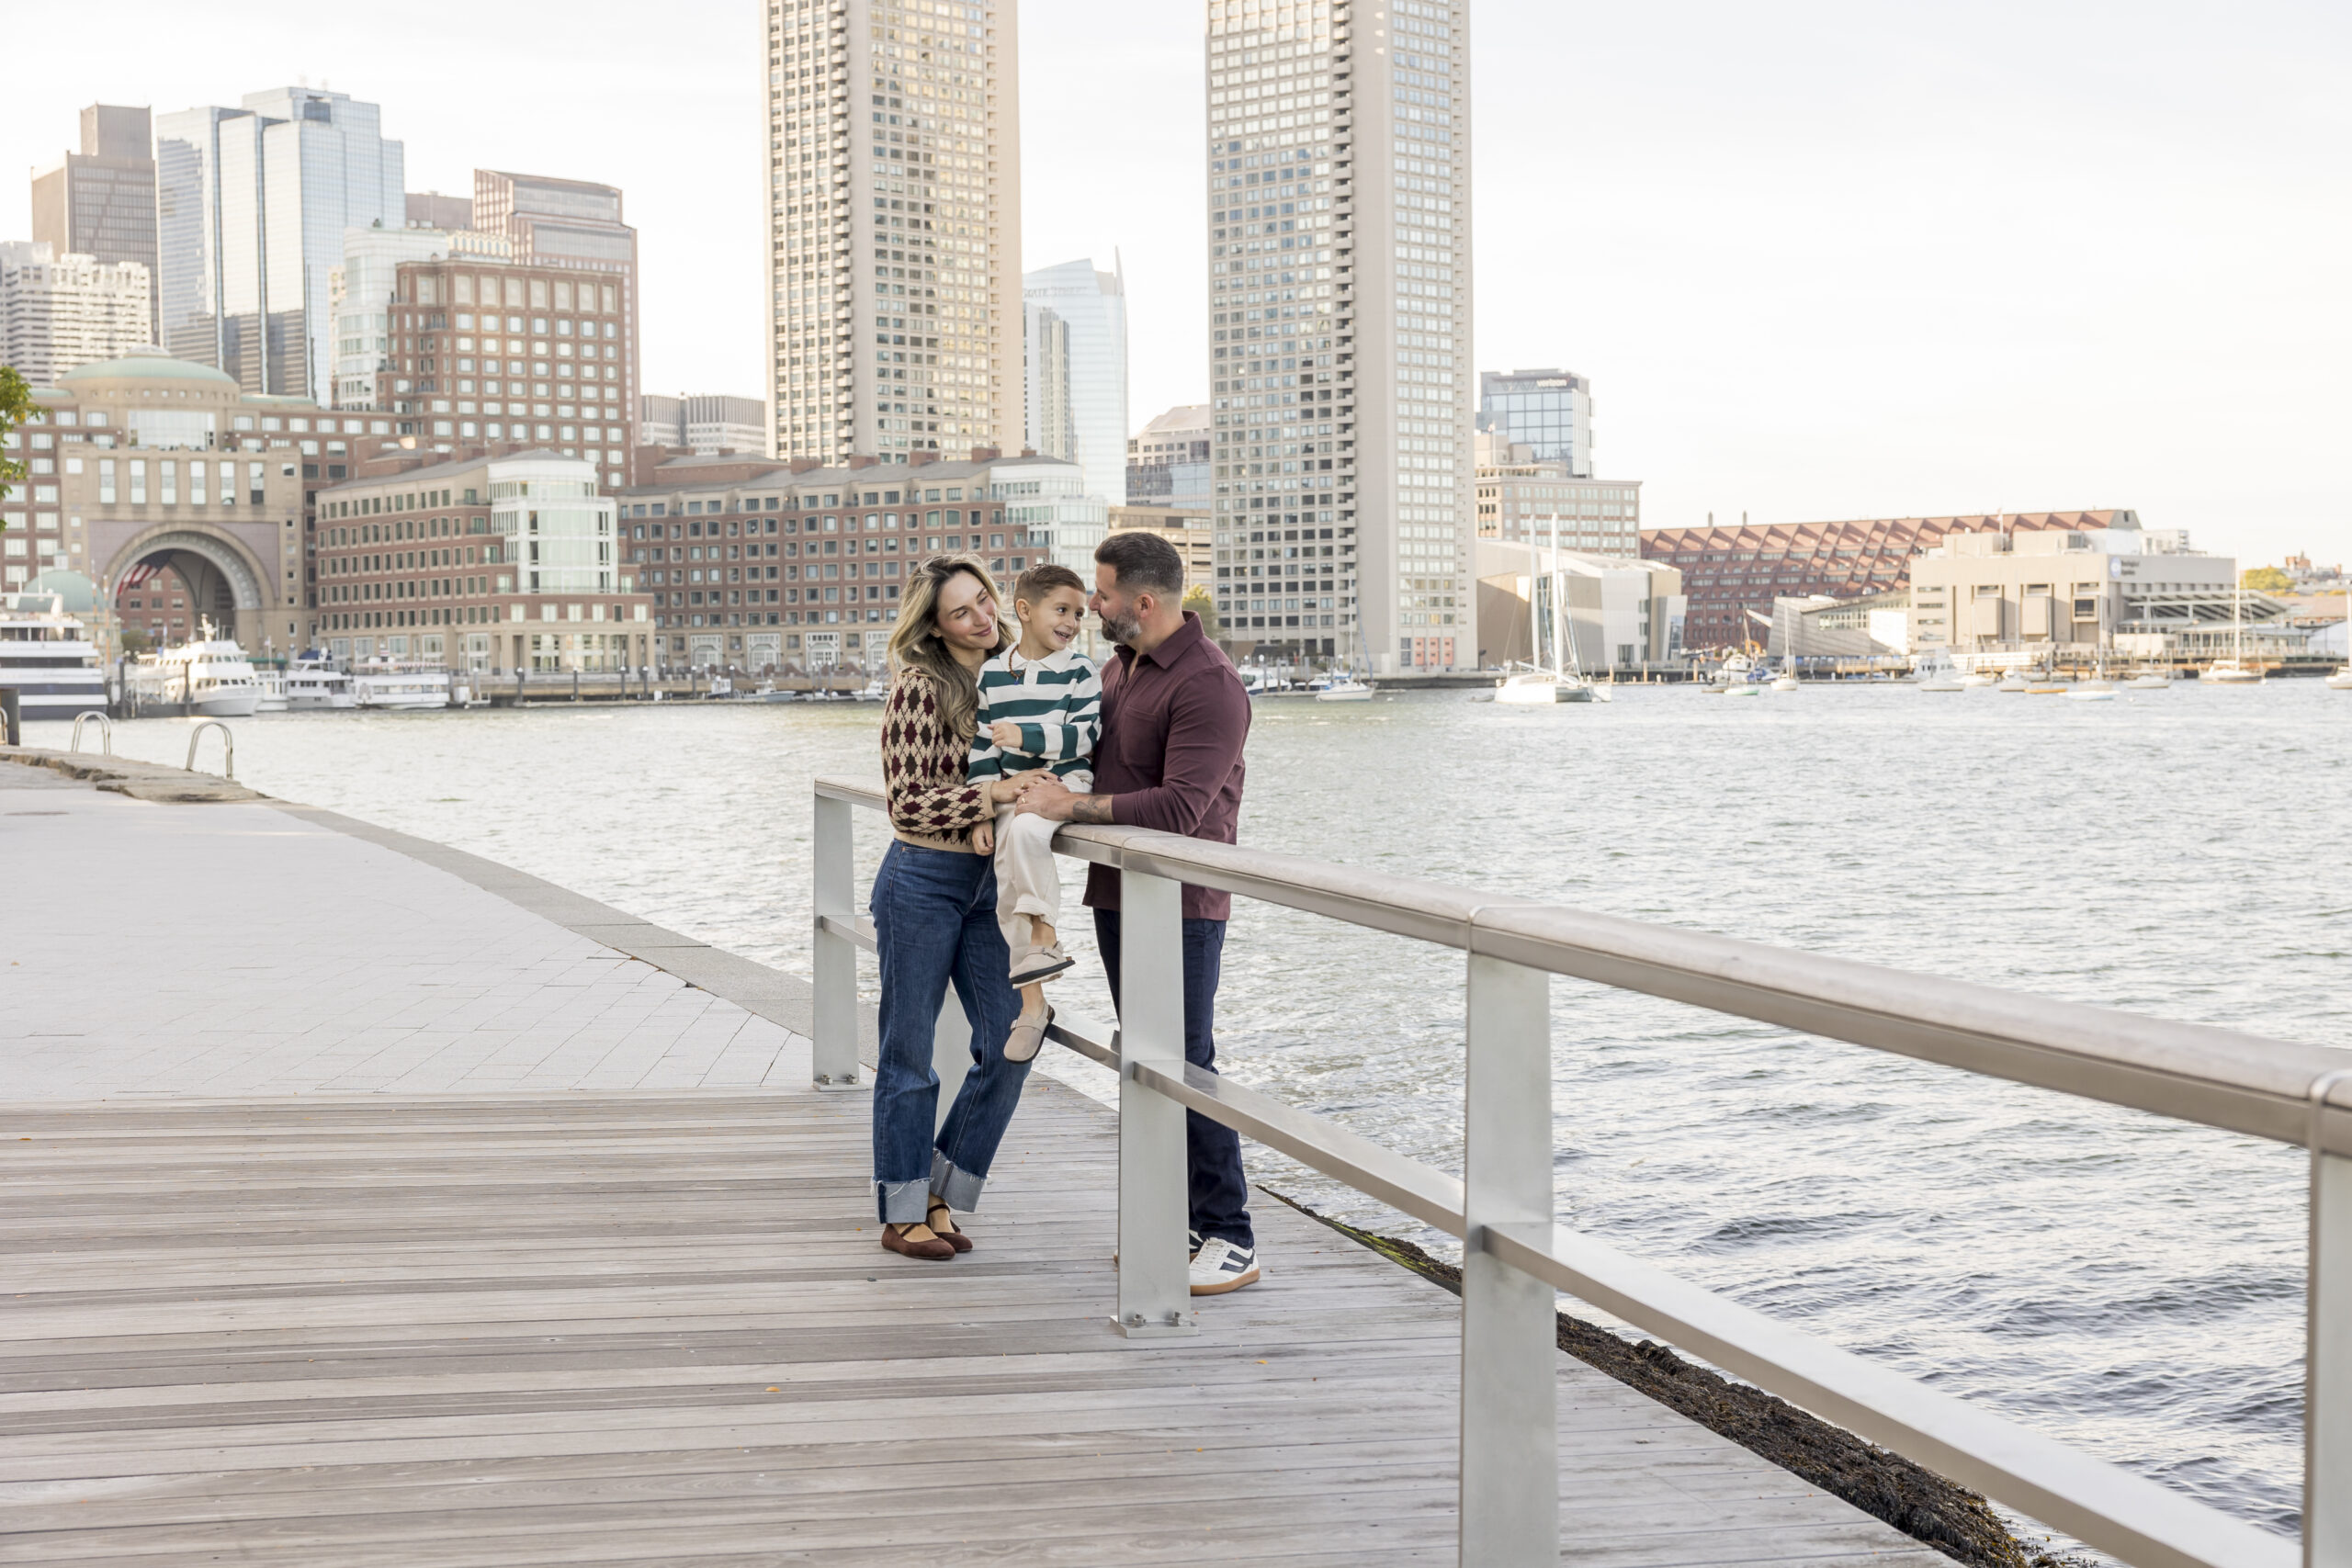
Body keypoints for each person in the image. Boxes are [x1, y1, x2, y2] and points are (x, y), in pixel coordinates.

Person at [1013, 531, 1259, 1295]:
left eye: (1105, 592)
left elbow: (1183, 808)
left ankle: (1231, 1233)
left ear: (1143, 602)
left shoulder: (1210, 683)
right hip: (1121, 893)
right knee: (1143, 1058)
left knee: (1185, 1061)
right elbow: (1098, 764)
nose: (1094, 603)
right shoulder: (1120, 669)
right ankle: (1178, 1218)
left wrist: (1069, 804)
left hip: (1184, 905)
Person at [869, 554, 1047, 1262]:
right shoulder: (919, 687)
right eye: (961, 611)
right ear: (935, 628)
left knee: (1013, 1033)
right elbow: (905, 799)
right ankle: (901, 1208)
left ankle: (942, 1187)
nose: (981, 617)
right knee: (909, 1052)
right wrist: (993, 797)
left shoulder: (1014, 677)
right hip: (921, 878)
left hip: (988, 884)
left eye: (984, 600)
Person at [967, 563, 1102, 1063]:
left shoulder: (1081, 670)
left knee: (1025, 833)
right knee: (1006, 874)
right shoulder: (993, 674)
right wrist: (983, 807)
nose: (1071, 622)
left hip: (1066, 780)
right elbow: (982, 748)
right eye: (1061, 610)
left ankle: (1044, 932)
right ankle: (1032, 1003)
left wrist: (1026, 736)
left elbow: (1087, 735)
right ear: (1024, 610)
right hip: (1011, 790)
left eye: (1079, 613)